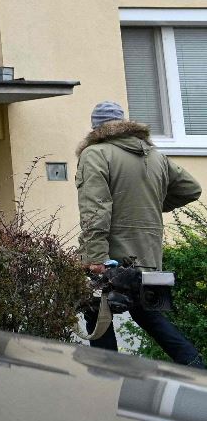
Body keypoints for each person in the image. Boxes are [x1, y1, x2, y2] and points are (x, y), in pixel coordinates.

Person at [77, 100, 204, 367]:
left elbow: (95, 210)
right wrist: (155, 205)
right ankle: (196, 369)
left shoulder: (96, 154)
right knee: (149, 316)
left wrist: (95, 258)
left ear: (95, 127)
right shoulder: (155, 155)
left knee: (95, 312)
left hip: (113, 258)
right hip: (150, 255)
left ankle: (106, 378)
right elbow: (191, 189)